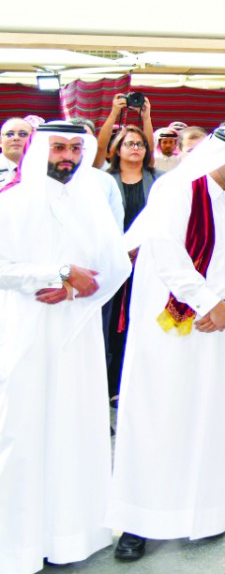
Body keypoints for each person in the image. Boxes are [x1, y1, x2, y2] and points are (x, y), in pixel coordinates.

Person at [107, 126, 225, 560]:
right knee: (159, 418)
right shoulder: (176, 190)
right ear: (219, 157)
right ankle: (138, 524)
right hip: (170, 327)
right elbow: (164, 253)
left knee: (206, 418)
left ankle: (200, 515)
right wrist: (210, 303)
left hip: (219, 328)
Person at [0, 121, 131, 574]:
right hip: (25, 330)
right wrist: (55, 274)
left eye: (76, 148)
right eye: (59, 147)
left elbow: (116, 268)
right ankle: (18, 545)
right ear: (39, 150)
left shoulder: (90, 201)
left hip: (77, 335)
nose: (69, 157)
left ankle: (72, 535)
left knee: (76, 427)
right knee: (23, 429)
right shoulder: (10, 202)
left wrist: (77, 289)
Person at [103, 125, 160, 400]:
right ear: (117, 150)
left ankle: (137, 385)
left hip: (148, 260)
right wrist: (120, 250)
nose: (135, 148)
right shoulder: (104, 180)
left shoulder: (158, 180)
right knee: (113, 324)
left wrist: (141, 247)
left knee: (142, 322)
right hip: (112, 262)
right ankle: (110, 386)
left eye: (140, 144)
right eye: (129, 143)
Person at [0, 116, 32, 185]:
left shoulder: (45, 169)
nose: (16, 138)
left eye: (23, 134)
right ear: (0, 141)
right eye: (10, 134)